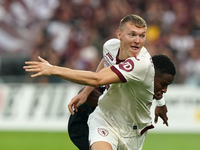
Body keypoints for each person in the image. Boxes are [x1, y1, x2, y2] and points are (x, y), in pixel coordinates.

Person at [23, 14, 176, 150]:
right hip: (105, 119)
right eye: (132, 34)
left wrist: (54, 70)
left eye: (142, 36)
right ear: (119, 35)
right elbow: (106, 61)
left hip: (133, 132)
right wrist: (86, 92)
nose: (137, 40)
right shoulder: (110, 46)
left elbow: (98, 79)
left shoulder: (141, 63)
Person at [67, 54, 176, 150]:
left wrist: (161, 103)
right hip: (84, 121)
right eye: (163, 84)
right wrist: (113, 107)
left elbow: (157, 85)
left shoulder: (150, 80)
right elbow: (105, 63)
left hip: (124, 130)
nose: (165, 90)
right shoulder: (132, 73)